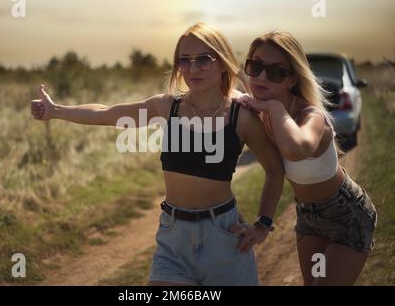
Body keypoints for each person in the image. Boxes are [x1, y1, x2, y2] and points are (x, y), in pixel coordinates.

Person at [30, 23, 284, 286]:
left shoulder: (240, 117)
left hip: (224, 237)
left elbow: (275, 170)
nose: (192, 69)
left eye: (203, 60)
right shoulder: (167, 107)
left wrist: (263, 224)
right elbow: (107, 113)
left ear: (222, 63)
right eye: (184, 60)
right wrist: (55, 110)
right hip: (173, 238)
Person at [231, 31, 377, 285]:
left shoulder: (312, 116)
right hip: (308, 217)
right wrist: (263, 224)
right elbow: (273, 172)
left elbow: (297, 149)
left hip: (347, 215)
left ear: (292, 80)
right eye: (255, 66)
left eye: (275, 72)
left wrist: (274, 108)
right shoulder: (260, 106)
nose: (262, 77)